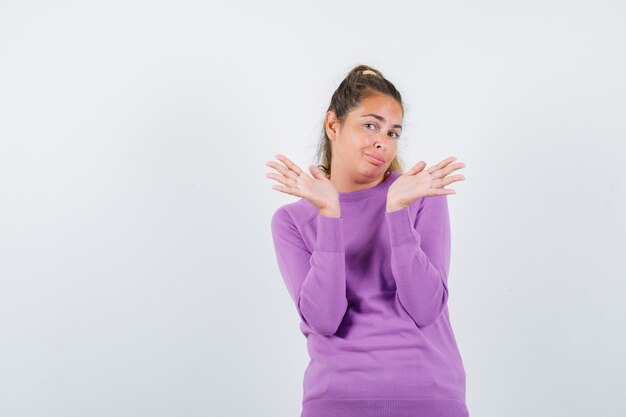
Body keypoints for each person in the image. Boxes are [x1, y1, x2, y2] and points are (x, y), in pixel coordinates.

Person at [265, 64, 469, 417]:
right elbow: (324, 320)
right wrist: (330, 215)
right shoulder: (292, 221)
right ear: (333, 125)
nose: (382, 142)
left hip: (429, 399)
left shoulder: (421, 194)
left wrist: (397, 212)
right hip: (336, 402)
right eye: (371, 125)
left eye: (393, 133)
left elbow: (425, 308)